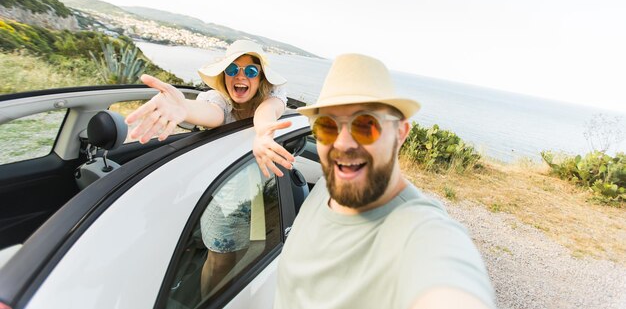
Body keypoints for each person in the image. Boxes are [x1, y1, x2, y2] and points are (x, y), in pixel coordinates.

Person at [274, 53, 497, 309]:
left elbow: (449, 282)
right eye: (328, 126)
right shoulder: (330, 182)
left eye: (366, 126)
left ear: (400, 133)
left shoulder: (420, 233)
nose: (343, 143)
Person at [125, 39, 295, 296]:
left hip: (260, 196)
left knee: (246, 259)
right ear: (224, 75)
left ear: (260, 79)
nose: (241, 76)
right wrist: (184, 108)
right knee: (219, 263)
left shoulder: (272, 98)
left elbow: (267, 112)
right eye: (232, 69)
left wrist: (262, 133)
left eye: (251, 71)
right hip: (226, 201)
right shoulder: (219, 101)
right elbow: (210, 112)